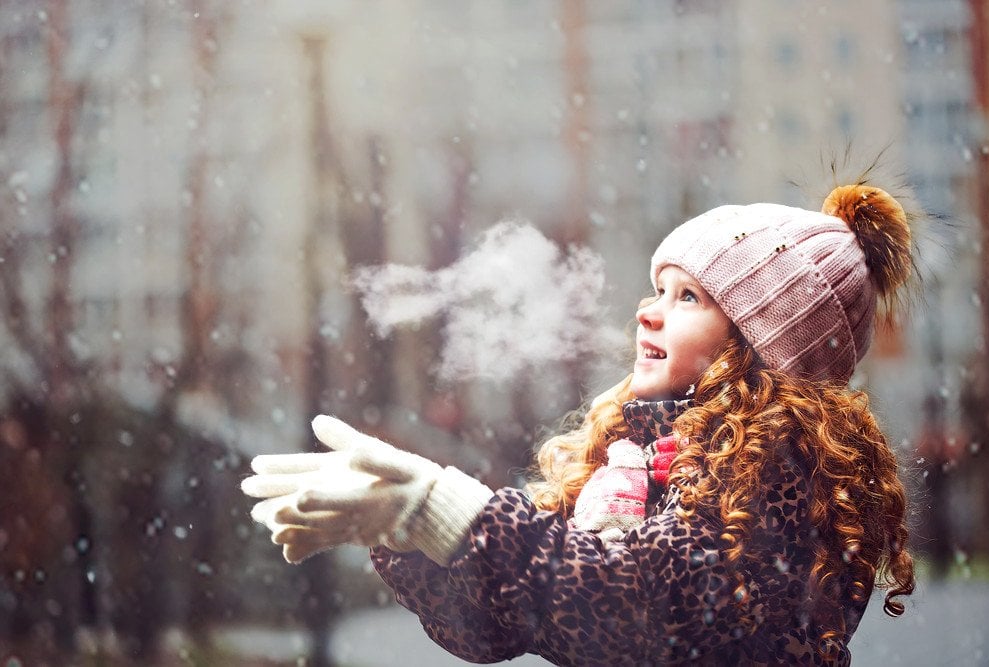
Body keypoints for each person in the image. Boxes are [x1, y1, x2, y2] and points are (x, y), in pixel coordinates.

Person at [241, 181, 916, 665]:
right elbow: (505, 622)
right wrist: (411, 531)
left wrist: (461, 514)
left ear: (758, 343)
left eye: (688, 297)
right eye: (658, 289)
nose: (648, 311)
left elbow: (648, 601)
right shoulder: (636, 458)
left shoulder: (781, 463)